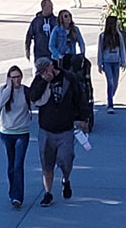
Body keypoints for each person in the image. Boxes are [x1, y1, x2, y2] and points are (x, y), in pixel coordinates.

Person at [29, 56, 89, 207]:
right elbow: (33, 96)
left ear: (51, 66)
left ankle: (66, 179)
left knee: (66, 160)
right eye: (40, 71)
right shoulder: (40, 79)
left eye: (45, 70)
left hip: (65, 128)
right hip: (46, 128)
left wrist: (83, 118)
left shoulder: (69, 78)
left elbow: (80, 99)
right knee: (46, 165)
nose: (43, 73)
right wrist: (44, 81)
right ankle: (48, 193)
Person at [0, 65, 31, 209]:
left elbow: (37, 102)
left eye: (18, 77)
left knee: (18, 165)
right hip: (7, 131)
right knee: (11, 165)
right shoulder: (4, 90)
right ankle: (12, 191)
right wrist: (9, 88)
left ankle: (18, 196)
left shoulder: (26, 91)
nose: (16, 80)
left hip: (22, 132)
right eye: (13, 77)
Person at [97, 15, 126, 113]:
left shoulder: (118, 36)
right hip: (107, 62)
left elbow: (122, 48)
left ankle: (111, 96)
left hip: (116, 61)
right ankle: (110, 103)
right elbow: (100, 50)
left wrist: (123, 61)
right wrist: (99, 63)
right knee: (110, 81)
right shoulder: (102, 36)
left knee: (115, 82)